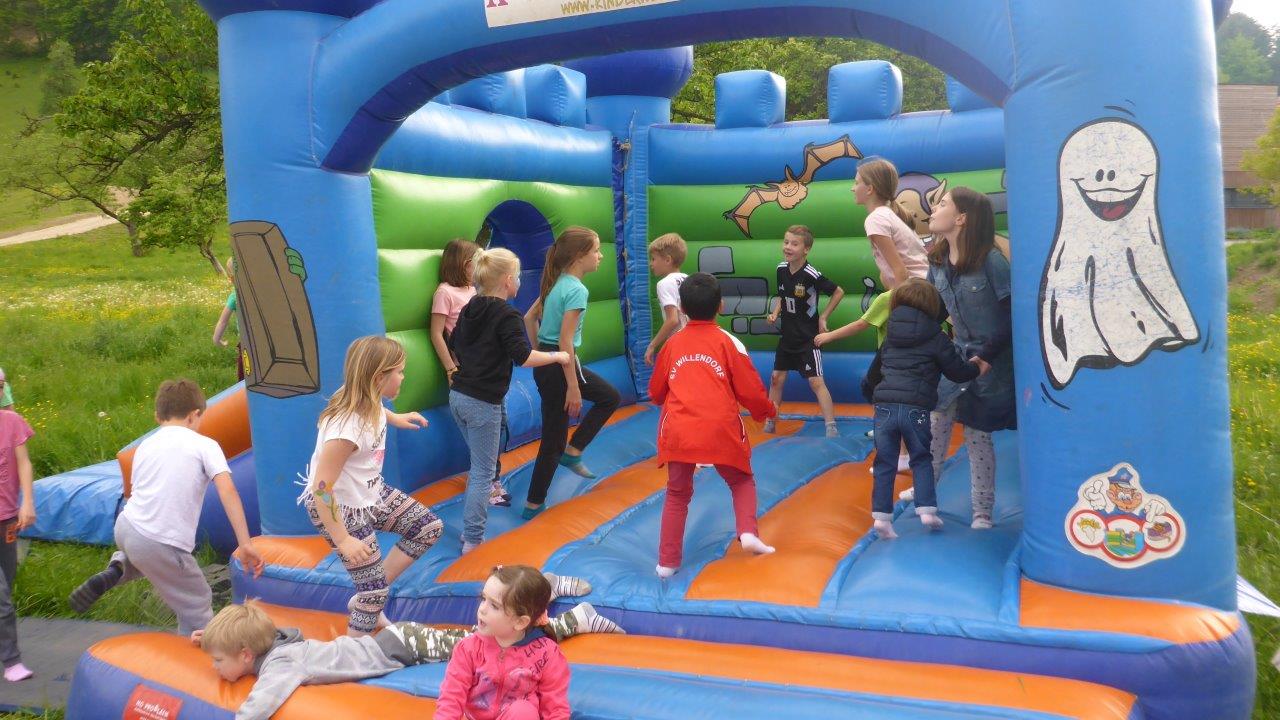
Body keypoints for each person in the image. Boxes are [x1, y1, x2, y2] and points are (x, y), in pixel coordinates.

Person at [194, 576, 620, 720]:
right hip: (390, 640)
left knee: (490, 640)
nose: (215, 667)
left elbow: (260, 704)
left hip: (400, 647)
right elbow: (262, 637)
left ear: (247, 654)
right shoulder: (279, 642)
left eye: (218, 660)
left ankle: (568, 615)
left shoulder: (279, 665)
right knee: (488, 632)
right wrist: (211, 640)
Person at [68, 380, 265, 635]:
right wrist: (245, 543)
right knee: (197, 601)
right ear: (194, 415)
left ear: (158, 417)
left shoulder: (145, 446)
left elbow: (135, 492)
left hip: (127, 528)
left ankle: (119, 569)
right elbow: (228, 491)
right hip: (161, 541)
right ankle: (201, 653)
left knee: (150, 557)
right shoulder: (205, 445)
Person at [298, 336, 443, 636]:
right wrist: (343, 540)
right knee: (373, 592)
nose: (403, 377)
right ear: (378, 377)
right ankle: (354, 650)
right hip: (341, 509)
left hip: (370, 494)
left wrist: (396, 418)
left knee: (427, 528)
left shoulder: (365, 396)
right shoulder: (346, 429)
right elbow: (321, 488)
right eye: (399, 372)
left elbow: (375, 408)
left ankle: (370, 598)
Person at [649, 273, 778, 577]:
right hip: (720, 427)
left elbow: (656, 392)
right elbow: (750, 390)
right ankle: (748, 532)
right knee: (741, 480)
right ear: (721, 305)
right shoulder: (729, 343)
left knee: (677, 493)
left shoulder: (672, 344)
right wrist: (766, 411)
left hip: (679, 429)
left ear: (681, 307)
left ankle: (667, 562)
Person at [449, 249, 572, 553]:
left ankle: (475, 523)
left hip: (458, 395)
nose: (519, 281)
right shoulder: (507, 315)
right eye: (517, 276)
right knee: (482, 472)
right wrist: (557, 356)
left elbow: (455, 344)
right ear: (507, 280)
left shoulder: (470, 307)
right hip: (481, 401)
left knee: (481, 462)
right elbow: (523, 356)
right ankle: (473, 539)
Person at [923, 187, 1016, 530]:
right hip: (957, 356)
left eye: (943, 204)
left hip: (991, 362)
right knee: (935, 424)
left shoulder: (991, 261)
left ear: (961, 218)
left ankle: (982, 510)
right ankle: (925, 495)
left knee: (978, 435)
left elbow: (1012, 314)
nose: (934, 209)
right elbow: (932, 311)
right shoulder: (936, 262)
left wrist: (987, 356)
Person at [869, 279, 983, 539]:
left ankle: (881, 518)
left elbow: (873, 374)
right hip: (916, 408)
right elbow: (956, 371)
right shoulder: (936, 337)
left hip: (885, 408)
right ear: (932, 306)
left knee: (885, 461)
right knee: (921, 458)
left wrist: (874, 396)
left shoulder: (890, 336)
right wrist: (976, 367)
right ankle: (927, 510)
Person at [522, 227, 621, 520]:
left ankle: (570, 455)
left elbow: (529, 318)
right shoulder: (577, 289)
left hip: (549, 360)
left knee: (603, 399)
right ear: (579, 256)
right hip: (561, 361)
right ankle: (536, 501)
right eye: (596, 251)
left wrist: (539, 352)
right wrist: (573, 387)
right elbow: (566, 341)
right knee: (603, 401)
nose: (600, 256)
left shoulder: (556, 282)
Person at [436, 565, 573, 720]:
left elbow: (555, 708)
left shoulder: (547, 654)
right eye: (483, 598)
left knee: (523, 711)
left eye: (494, 606)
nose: (482, 609)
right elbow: (451, 699)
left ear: (520, 622)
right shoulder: (468, 648)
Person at [764, 225, 844, 438]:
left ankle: (831, 426)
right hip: (787, 337)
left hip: (807, 338)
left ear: (806, 249)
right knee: (776, 378)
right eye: (786, 242)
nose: (788, 247)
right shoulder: (781, 269)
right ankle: (771, 419)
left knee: (816, 381)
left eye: (794, 244)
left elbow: (838, 292)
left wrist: (824, 316)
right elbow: (782, 295)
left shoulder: (810, 274)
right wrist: (775, 313)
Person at [0, 369, 35, 682]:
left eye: (1, 387)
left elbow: (24, 462)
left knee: (7, 584)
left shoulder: (11, 422)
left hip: (7, 519)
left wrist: (28, 502)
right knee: (2, 598)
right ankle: (12, 661)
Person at [853, 158, 929, 290]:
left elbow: (900, 272)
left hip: (916, 291)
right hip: (924, 287)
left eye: (856, 183)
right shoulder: (888, 215)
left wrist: (897, 300)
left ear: (870, 189)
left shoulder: (876, 219)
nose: (852, 188)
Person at [431, 239, 481, 382]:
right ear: (466, 265)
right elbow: (436, 333)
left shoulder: (472, 289)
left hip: (481, 358)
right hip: (463, 363)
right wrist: (451, 368)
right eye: (478, 265)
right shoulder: (445, 292)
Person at [643, 233, 689, 366]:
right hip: (694, 340)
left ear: (668, 260)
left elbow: (673, 320)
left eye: (653, 259)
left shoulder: (664, 284)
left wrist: (652, 345)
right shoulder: (688, 279)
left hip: (680, 344)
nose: (651, 264)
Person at [212, 256, 243, 380]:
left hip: (247, 344)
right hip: (266, 341)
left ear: (231, 279)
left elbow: (223, 321)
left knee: (245, 376)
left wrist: (217, 339)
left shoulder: (235, 297)